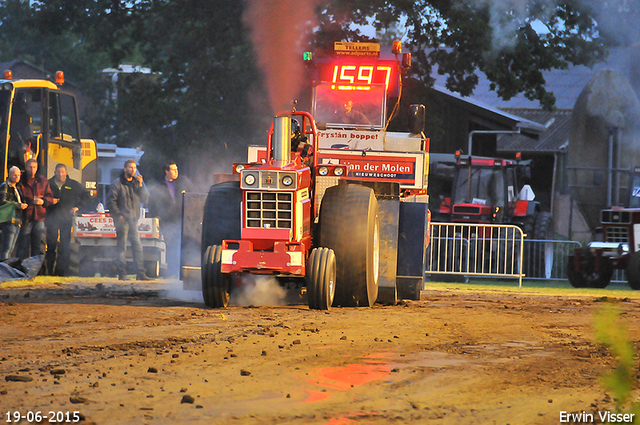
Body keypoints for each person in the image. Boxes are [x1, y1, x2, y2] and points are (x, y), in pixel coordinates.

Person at [147, 161, 195, 277]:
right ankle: (171, 271)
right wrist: (156, 215)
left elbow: (194, 194)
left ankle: (183, 271)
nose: (176, 172)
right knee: (170, 245)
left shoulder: (184, 181)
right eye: (173, 170)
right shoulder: (160, 185)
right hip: (167, 220)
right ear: (166, 171)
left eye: (177, 169)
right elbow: (152, 201)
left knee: (184, 245)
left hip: (183, 218)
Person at [107, 160, 152, 281]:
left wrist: (141, 185)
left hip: (133, 220)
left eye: (134, 167)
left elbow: (145, 198)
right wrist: (118, 215)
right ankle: (122, 274)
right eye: (130, 167)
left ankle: (140, 273)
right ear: (125, 169)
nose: (133, 170)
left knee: (137, 246)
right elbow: (110, 202)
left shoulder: (137, 184)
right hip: (122, 220)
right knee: (122, 247)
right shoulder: (117, 183)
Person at [45, 163, 88, 276]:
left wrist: (77, 207)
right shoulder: (48, 184)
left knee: (65, 247)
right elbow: (41, 198)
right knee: (51, 247)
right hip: (51, 220)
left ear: (66, 173)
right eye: (58, 172)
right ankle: (49, 272)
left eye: (62, 172)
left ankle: (62, 272)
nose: (60, 174)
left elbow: (86, 196)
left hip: (66, 220)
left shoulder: (73, 185)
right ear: (54, 173)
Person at [18, 158, 54, 259]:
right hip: (26, 217)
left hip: (39, 217)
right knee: (23, 245)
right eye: (30, 167)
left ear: (37, 168)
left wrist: (43, 201)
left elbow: (50, 197)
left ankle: (36, 269)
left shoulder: (43, 181)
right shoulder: (21, 180)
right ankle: (22, 268)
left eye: (34, 167)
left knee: (37, 246)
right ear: (26, 167)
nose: (32, 169)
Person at [0, 167, 28, 260]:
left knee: (11, 248)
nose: (16, 177)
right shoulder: (5, 186)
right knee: (7, 248)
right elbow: (3, 202)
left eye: (18, 175)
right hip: (9, 220)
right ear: (9, 174)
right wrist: (19, 205)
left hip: (17, 220)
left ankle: (7, 268)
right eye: (14, 175)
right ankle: (3, 269)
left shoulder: (18, 187)